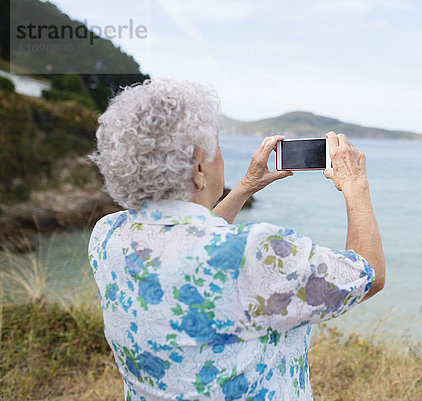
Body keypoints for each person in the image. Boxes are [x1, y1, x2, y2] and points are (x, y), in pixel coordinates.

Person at [88, 79, 385, 401]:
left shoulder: (107, 234)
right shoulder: (255, 251)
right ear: (199, 166)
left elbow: (189, 237)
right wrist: (355, 184)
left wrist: (244, 187)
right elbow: (368, 275)